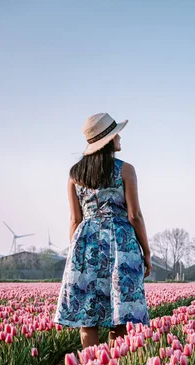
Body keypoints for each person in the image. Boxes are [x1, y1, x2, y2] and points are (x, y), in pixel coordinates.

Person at [55, 112, 151, 348]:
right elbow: (134, 215)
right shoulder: (125, 170)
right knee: (120, 313)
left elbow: (75, 219)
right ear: (108, 139)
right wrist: (146, 252)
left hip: (86, 243)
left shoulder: (75, 175)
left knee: (89, 315)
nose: (120, 137)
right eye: (116, 133)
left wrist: (74, 255)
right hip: (120, 242)